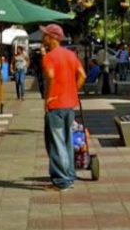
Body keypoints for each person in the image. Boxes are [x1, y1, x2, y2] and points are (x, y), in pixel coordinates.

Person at [40, 24, 86, 191]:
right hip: (69, 104)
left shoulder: (49, 57)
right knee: (66, 141)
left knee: (56, 142)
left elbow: (51, 76)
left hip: (56, 105)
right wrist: (73, 90)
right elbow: (82, 75)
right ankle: (69, 175)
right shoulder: (70, 55)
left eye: (44, 35)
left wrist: (48, 98)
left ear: (52, 38)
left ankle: (62, 180)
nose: (42, 37)